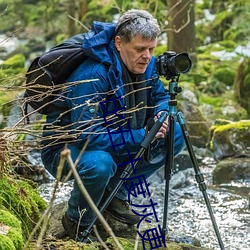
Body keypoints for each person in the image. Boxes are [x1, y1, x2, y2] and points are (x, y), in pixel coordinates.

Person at [41, 9, 185, 241]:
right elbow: (87, 136)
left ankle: (116, 192)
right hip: (67, 150)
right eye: (140, 49)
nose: (147, 56)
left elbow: (159, 96)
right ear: (119, 43)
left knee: (175, 132)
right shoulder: (92, 75)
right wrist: (141, 135)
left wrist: (161, 114)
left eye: (151, 49)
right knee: (100, 164)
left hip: (117, 136)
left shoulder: (145, 64)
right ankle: (76, 222)